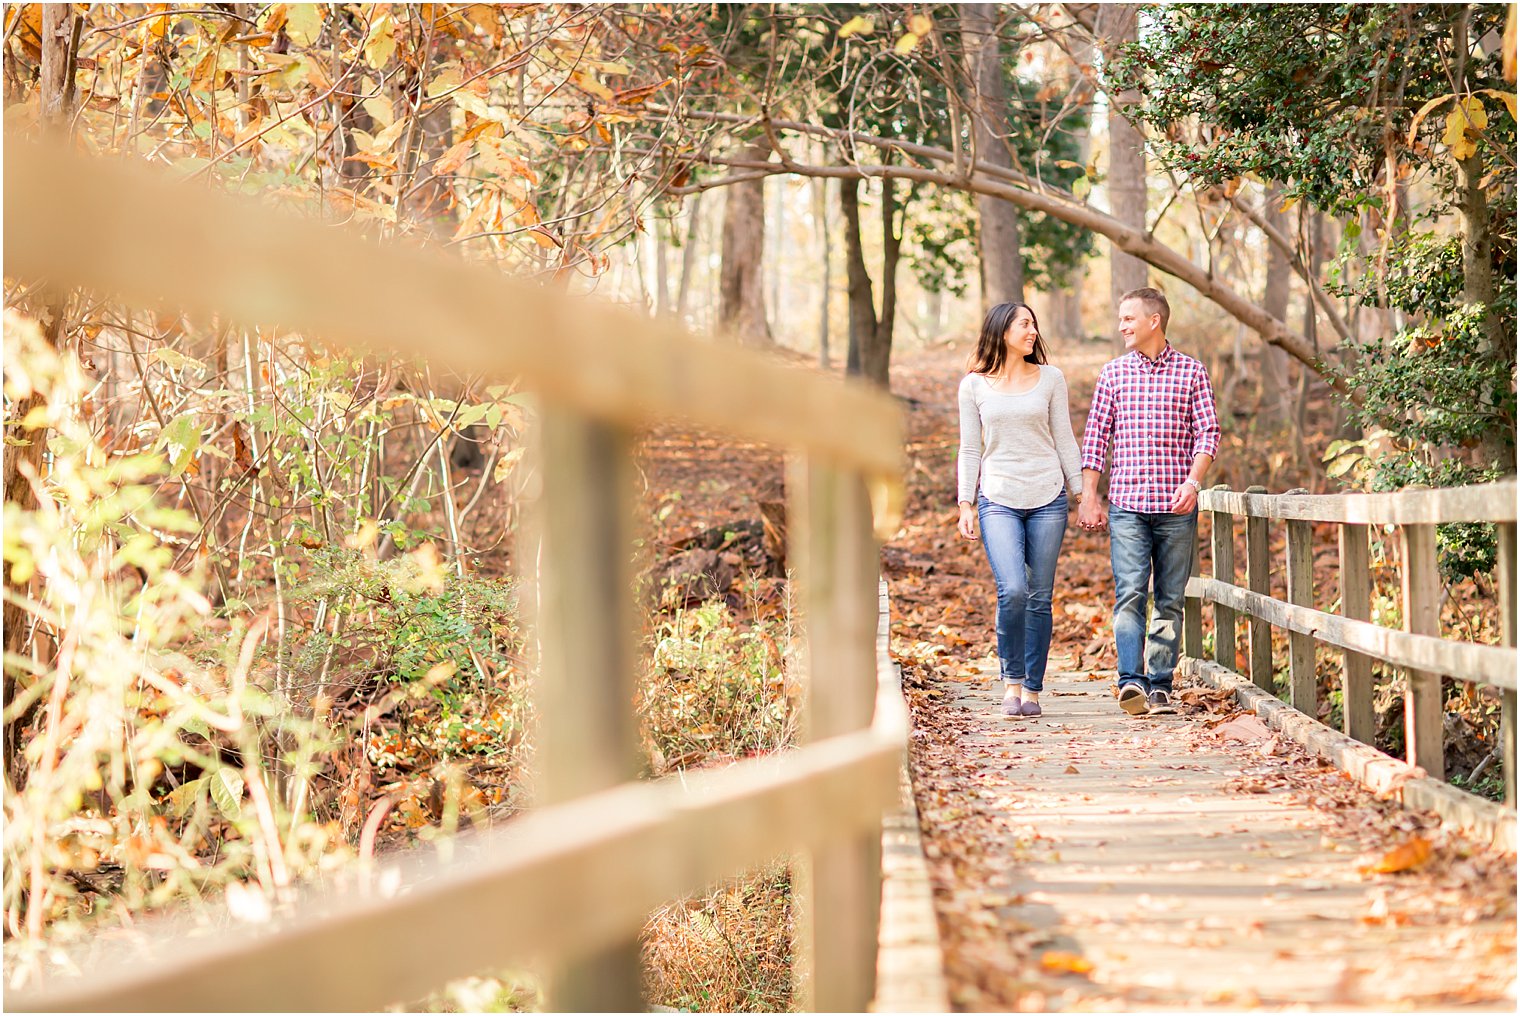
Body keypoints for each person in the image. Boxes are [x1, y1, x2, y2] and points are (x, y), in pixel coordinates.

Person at [1078, 287, 1221, 716]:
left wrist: (1193, 484)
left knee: (1170, 598)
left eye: (1128, 318)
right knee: (1130, 594)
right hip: (1127, 505)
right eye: (1120, 318)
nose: (1122, 325)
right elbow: (1096, 438)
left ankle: (1160, 685)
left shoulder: (1192, 372)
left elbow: (1208, 434)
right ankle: (1131, 682)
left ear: (1154, 321)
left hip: (1176, 508)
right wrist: (1089, 496)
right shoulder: (1113, 375)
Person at [956, 302, 1084, 719]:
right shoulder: (973, 386)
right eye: (1024, 324)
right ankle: (1011, 683)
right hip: (997, 496)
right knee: (1012, 589)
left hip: (1048, 496)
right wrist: (965, 503)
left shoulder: (1051, 379)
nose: (1032, 331)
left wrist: (1082, 493)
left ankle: (1032, 689)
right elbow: (970, 447)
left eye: (1033, 324)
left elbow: (1064, 437)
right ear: (1002, 330)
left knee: (1040, 597)